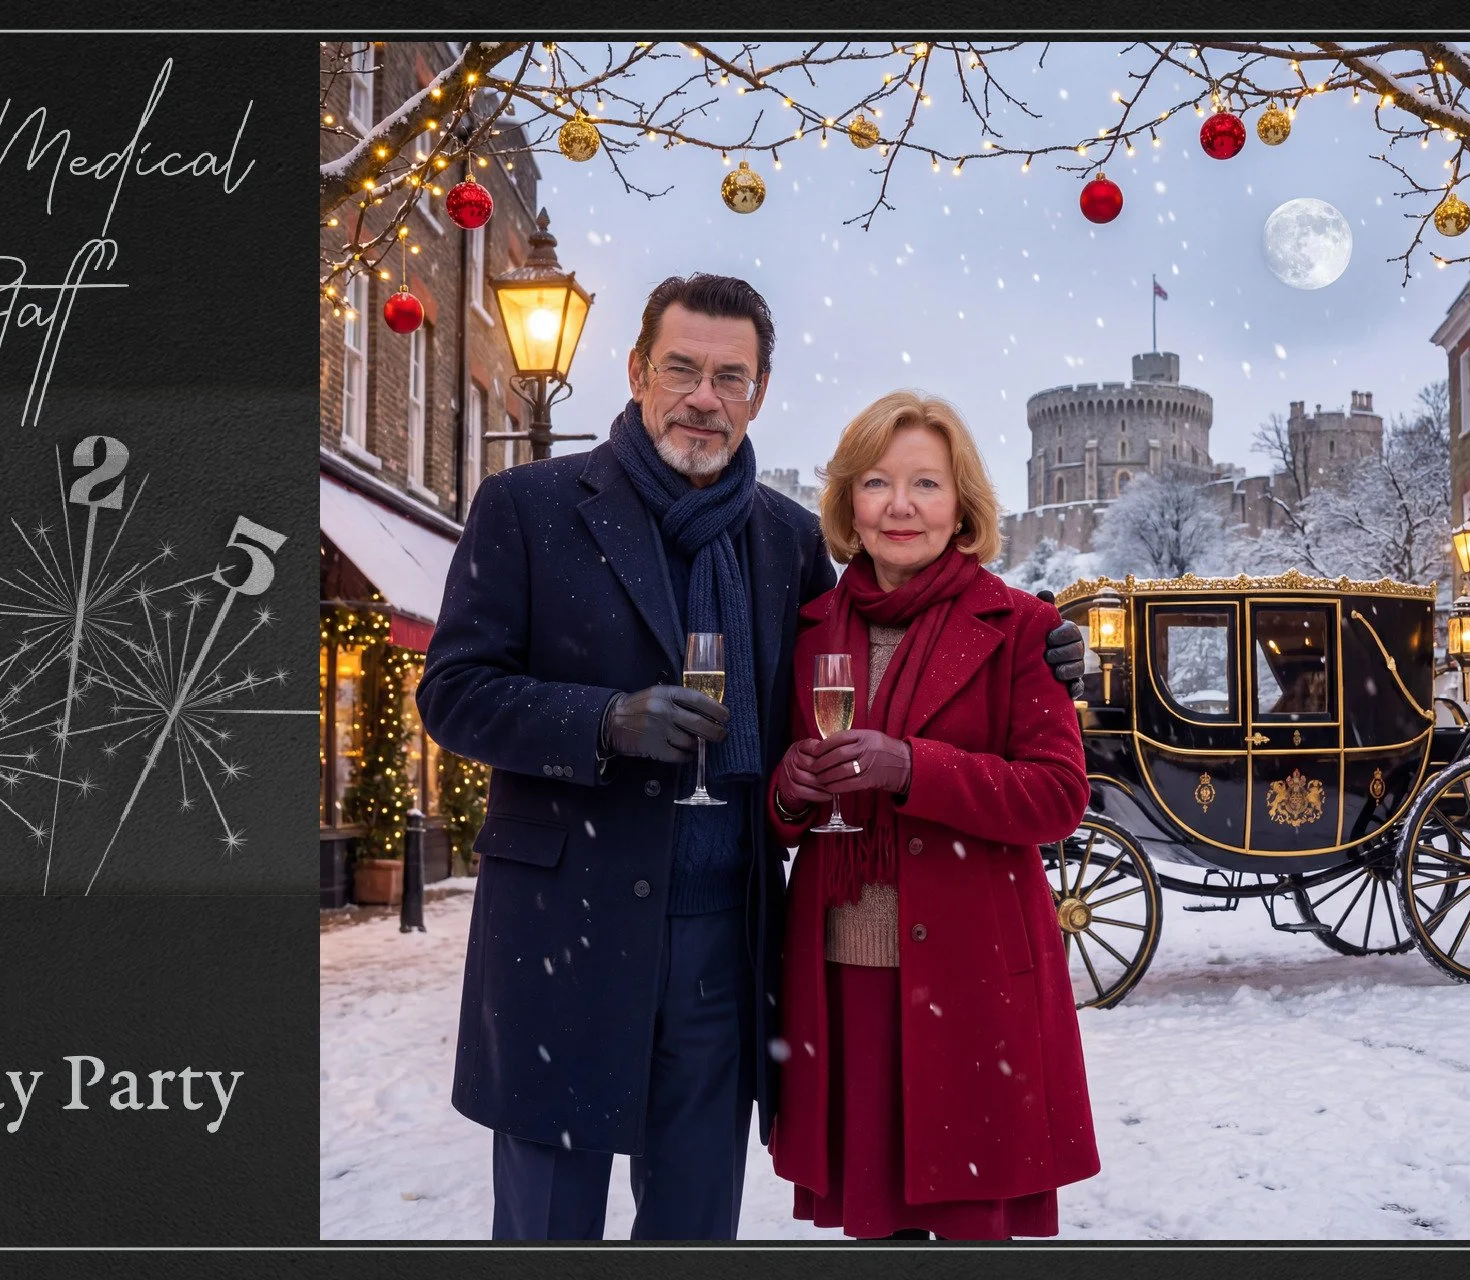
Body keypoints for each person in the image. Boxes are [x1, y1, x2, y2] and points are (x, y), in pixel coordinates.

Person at [414, 276, 1086, 1241]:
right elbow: (455, 692)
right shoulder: (529, 506)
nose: (704, 397)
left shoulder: (785, 542)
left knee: (694, 1224)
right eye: (682, 369)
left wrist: (1049, 649)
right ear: (639, 371)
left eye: (730, 377)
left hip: (724, 939)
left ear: (760, 391)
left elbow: (892, 616)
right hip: (566, 927)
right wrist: (604, 721)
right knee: (547, 1226)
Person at [766, 390, 1100, 1241]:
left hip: (971, 980)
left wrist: (914, 767)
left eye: (926, 484)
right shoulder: (808, 632)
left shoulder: (1021, 627)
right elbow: (778, 813)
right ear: (848, 503)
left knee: (967, 1225)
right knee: (874, 1228)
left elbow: (1058, 799)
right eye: (877, 483)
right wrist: (792, 793)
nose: (901, 506)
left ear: (962, 508)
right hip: (845, 982)